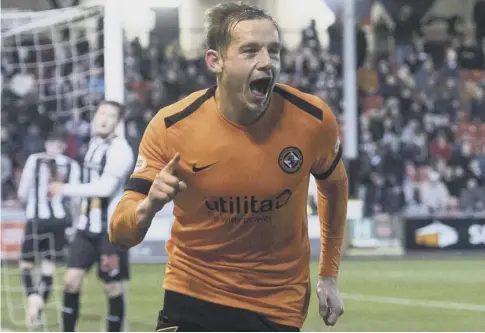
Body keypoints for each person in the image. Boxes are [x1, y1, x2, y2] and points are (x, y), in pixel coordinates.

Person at [110, 2, 348, 332]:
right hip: (193, 294)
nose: (266, 62)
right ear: (215, 60)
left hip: (277, 304)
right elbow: (120, 233)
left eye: (274, 51)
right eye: (250, 51)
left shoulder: (313, 120)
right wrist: (147, 207)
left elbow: (334, 186)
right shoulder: (171, 127)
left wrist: (329, 273)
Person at [49, 101, 134, 332]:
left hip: (110, 232)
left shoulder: (121, 150)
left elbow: (105, 188)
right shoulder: (94, 144)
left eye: (111, 115)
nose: (104, 119)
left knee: (112, 288)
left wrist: (64, 189)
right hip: (86, 228)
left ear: (118, 122)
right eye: (101, 113)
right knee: (70, 281)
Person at [17, 131, 81, 329]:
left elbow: (23, 191)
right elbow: (76, 199)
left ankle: (33, 299)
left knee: (26, 264)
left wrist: (28, 207)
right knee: (48, 266)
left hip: (37, 220)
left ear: (47, 144)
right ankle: (40, 302)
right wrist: (73, 224)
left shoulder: (34, 160)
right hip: (59, 222)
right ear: (62, 146)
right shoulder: (72, 165)